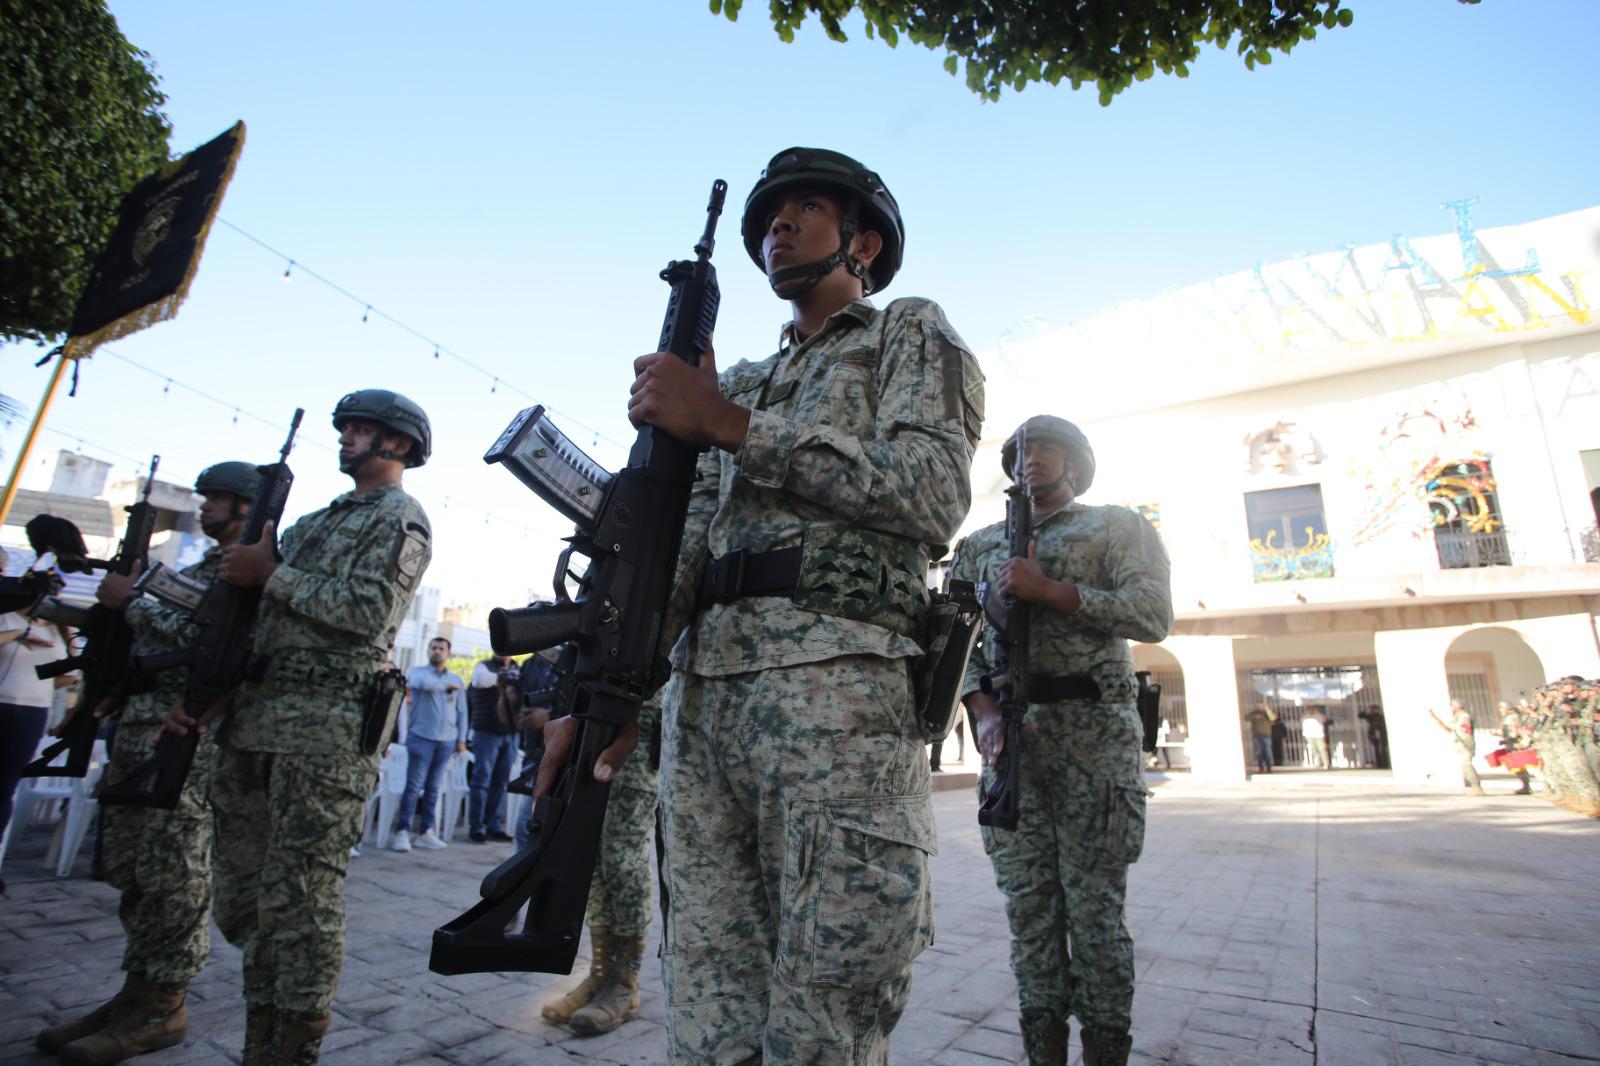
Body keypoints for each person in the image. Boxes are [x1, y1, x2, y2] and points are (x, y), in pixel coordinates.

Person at [545, 147, 983, 1063]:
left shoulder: (905, 332)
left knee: (827, 1008)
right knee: (708, 1010)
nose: (776, 227)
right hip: (708, 714)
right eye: (767, 220)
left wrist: (730, 426)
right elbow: (678, 554)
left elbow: (932, 493)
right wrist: (601, 704)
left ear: (861, 241)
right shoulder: (736, 381)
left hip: (839, 705)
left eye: (804, 210)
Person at [168, 388, 433, 1064]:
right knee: (247, 901)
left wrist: (273, 574)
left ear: (397, 444)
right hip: (255, 722)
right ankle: (265, 1028)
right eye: (345, 428)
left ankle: (293, 1042)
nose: (347, 438)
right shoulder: (309, 523)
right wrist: (211, 693)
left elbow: (369, 610)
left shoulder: (400, 517)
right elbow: (251, 620)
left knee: (302, 898)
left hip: (326, 732)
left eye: (362, 430)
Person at [950, 415, 1172, 1066]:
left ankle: (1105, 1051)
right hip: (1012, 750)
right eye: (1020, 451)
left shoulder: (1116, 527)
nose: (1030, 459)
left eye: (1047, 449)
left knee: (1096, 917)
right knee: (1030, 919)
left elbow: (1153, 614)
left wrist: (1052, 592)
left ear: (1076, 463)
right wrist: (981, 708)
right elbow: (953, 642)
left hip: (1094, 746)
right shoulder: (978, 545)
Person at [34, 462, 259, 1063]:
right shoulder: (198, 568)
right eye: (205, 497)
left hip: (185, 739)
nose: (205, 506)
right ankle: (134, 993)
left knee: (175, 875)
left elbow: (211, 639)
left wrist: (131, 603)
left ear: (246, 507)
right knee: (135, 873)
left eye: (218, 499)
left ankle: (164, 1004)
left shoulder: (247, 571)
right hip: (141, 731)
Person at [542, 694, 662, 1037]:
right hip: (595, 714)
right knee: (590, 855)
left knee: (624, 859)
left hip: (640, 717)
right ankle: (600, 975)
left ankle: (626, 983)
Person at [0, 548, 76, 886]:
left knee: (4, 787)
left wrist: (68, 635)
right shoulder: (7, 617)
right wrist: (20, 634)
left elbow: (67, 675)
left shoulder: (58, 630)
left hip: (32, 711)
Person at [391, 636, 467, 852]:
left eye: (442, 648)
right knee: (414, 785)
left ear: (448, 653)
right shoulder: (418, 672)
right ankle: (402, 831)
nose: (437, 651)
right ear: (428, 651)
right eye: (433, 648)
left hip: (446, 739)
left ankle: (425, 831)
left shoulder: (456, 679)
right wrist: (445, 686)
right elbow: (417, 684)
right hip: (421, 737)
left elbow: (463, 711)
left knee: (434, 788)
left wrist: (461, 739)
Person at [466, 655, 518, 843]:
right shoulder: (483, 666)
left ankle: (493, 826)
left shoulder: (517, 667)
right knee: (481, 781)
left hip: (511, 733)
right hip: (486, 731)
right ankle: (476, 827)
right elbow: (480, 681)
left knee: (501, 782)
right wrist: (503, 678)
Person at [1429, 700, 1484, 794]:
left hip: (1465, 744)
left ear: (1457, 706)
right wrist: (1436, 718)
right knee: (1464, 767)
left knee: (1467, 765)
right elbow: (1448, 729)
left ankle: (1477, 787)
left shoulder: (1464, 716)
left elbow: (1460, 729)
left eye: (1452, 706)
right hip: (1460, 744)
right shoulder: (1457, 717)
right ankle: (1474, 787)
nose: (1451, 709)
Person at [1359, 704, 1389, 769]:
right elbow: (1360, 715)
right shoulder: (1370, 716)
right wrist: (1366, 711)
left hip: (1382, 735)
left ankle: (1385, 764)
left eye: (1375, 709)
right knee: (1377, 750)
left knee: (1383, 750)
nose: (1374, 711)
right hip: (1374, 735)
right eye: (1373, 709)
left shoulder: (1381, 717)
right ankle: (1380, 765)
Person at [1246, 705, 1274, 774]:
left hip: (1266, 735)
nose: (1260, 707)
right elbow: (1246, 718)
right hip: (1256, 736)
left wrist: (1268, 710)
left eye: (1261, 705)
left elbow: (1273, 718)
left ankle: (1269, 768)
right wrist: (1254, 716)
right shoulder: (1254, 713)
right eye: (1258, 705)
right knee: (1258, 752)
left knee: (1268, 752)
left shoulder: (1267, 713)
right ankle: (1261, 768)